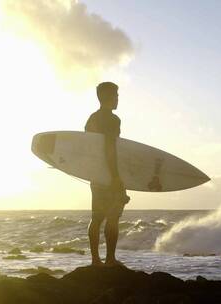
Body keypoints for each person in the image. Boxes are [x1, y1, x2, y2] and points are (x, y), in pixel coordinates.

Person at [85, 82, 130, 267]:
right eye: (115, 95)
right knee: (112, 216)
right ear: (107, 97)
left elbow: (88, 149)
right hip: (110, 174)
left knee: (96, 217)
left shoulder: (92, 118)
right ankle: (110, 260)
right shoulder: (112, 120)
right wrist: (116, 178)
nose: (118, 98)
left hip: (96, 175)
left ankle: (95, 260)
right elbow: (110, 148)